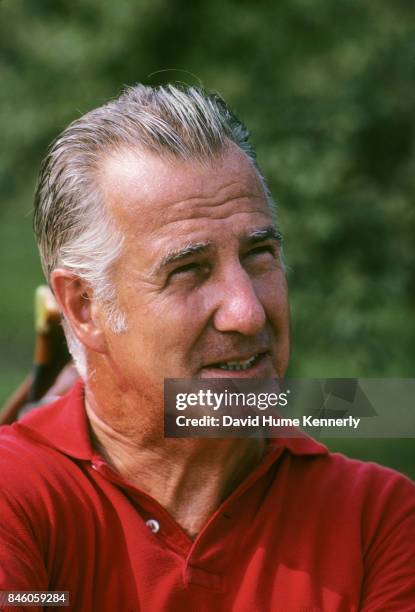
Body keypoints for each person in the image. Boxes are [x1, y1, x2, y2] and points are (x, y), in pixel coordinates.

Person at [0, 85, 414, 612]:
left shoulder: (375, 519)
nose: (248, 312)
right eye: (188, 270)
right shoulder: (16, 496)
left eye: (259, 254)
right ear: (85, 308)